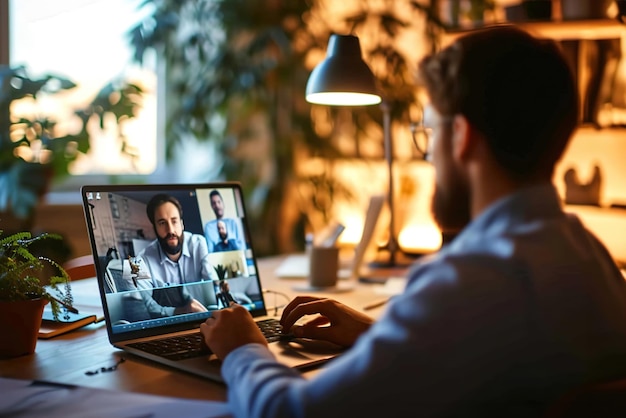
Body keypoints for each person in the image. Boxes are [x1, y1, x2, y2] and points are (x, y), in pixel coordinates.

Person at [199, 26, 626, 417]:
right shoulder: (591, 258)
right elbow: (494, 357)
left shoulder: (471, 280)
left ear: (460, 137)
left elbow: (288, 412)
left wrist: (242, 349)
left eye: (429, 132)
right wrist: (379, 336)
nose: (429, 152)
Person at [135, 193, 217, 318]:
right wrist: (181, 311)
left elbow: (212, 282)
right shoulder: (137, 261)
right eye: (162, 223)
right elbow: (141, 307)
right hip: (165, 326)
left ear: (182, 224)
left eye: (174, 221)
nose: (171, 230)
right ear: (154, 228)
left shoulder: (199, 243)